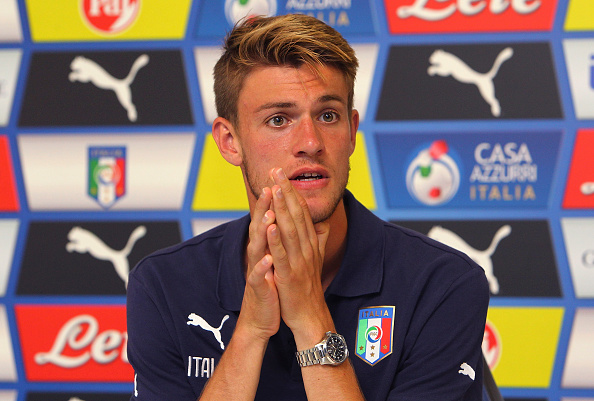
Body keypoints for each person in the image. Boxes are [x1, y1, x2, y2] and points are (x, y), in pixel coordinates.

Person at [126, 13, 489, 401]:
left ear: (352, 131)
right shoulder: (164, 284)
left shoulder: (443, 284)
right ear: (230, 141)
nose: (311, 142)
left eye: (328, 115)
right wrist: (250, 330)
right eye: (279, 119)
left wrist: (309, 317)